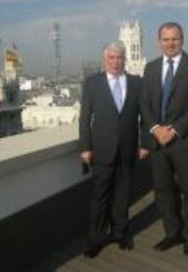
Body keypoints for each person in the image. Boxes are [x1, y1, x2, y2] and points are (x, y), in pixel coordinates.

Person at [140, 22, 188, 256]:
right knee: (163, 190)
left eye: (175, 39)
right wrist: (155, 128)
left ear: (182, 39)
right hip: (158, 141)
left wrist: (175, 129)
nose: (170, 43)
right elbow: (144, 103)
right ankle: (172, 233)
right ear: (159, 41)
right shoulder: (150, 68)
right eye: (166, 39)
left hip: (186, 139)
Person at [79, 40, 148, 258]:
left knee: (122, 194)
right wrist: (85, 147)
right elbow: (84, 117)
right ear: (105, 60)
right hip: (101, 150)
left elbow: (144, 116)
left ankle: (120, 233)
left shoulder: (136, 82)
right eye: (112, 58)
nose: (116, 62)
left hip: (128, 149)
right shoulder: (92, 83)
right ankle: (96, 238)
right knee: (100, 196)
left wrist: (144, 143)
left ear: (124, 59)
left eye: (119, 57)